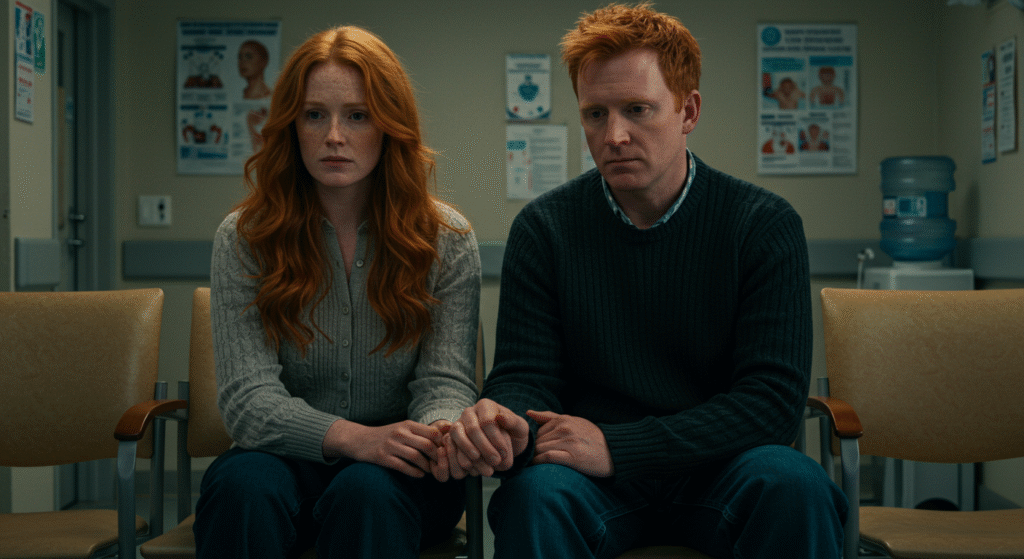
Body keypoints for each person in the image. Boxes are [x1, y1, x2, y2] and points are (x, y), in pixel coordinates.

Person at [447, 4, 847, 558]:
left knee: (796, 485)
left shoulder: (763, 225)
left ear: (688, 111)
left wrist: (618, 444)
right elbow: (525, 376)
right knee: (532, 497)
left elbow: (770, 404)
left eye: (638, 110)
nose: (613, 135)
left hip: (720, 470)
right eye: (594, 114)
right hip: (593, 484)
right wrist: (504, 418)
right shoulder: (545, 229)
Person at [195, 25, 481, 559]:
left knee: (367, 491)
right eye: (313, 115)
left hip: (402, 468)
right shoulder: (245, 237)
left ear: (390, 126)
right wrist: (355, 438)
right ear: (290, 127)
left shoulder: (446, 239)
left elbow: (444, 382)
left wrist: (434, 432)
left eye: (357, 115)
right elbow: (248, 403)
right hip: (282, 458)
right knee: (241, 486)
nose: (333, 135)